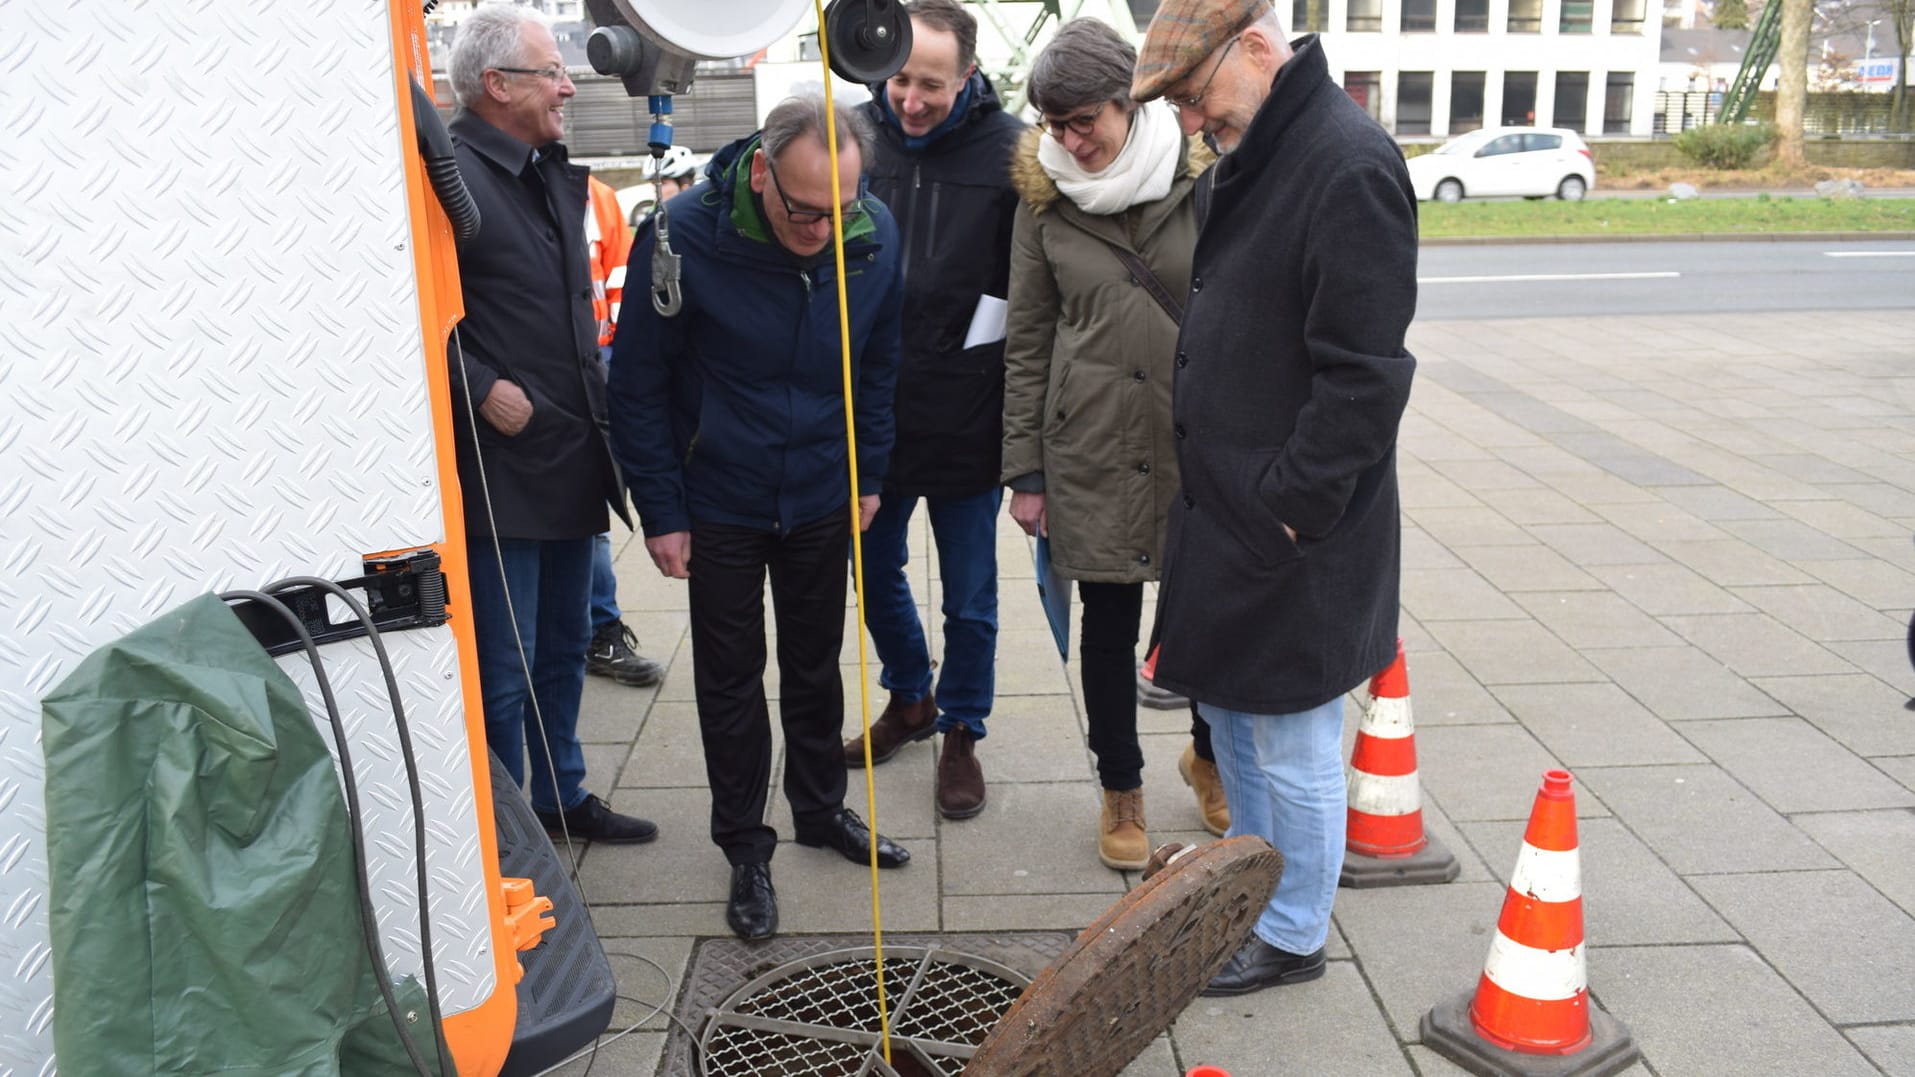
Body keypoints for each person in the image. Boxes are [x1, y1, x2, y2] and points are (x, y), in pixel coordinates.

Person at [1132, 0, 1417, 995]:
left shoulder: (1344, 163)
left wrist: (1289, 507)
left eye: (1197, 97)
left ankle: (1292, 934)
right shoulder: (1265, 154)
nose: (1195, 122)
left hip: (1290, 526)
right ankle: (1245, 895)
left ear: (1257, 48)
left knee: (1289, 741)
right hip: (1231, 511)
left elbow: (1364, 378)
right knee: (1237, 721)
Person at [609, 95, 911, 942]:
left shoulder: (873, 232)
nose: (820, 227)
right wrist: (661, 509)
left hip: (822, 487)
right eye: (803, 209)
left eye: (837, 209)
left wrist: (869, 472)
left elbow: (879, 365)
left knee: (816, 665)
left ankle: (820, 810)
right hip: (720, 496)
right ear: (760, 171)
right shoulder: (681, 236)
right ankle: (746, 846)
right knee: (732, 680)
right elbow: (636, 383)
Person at [1001, 19, 1214, 870]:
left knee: (1201, 615)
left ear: (1129, 103)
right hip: (1085, 440)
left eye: (1083, 120)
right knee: (1106, 623)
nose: (1068, 142)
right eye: (1053, 125)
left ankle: (1208, 753)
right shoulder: (1041, 199)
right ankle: (1119, 787)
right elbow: (1027, 335)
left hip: (1190, 432)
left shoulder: (1203, 178)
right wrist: (1024, 466)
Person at [446, 6, 657, 844]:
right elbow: (397, 308)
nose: (569, 84)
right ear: (497, 85)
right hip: (501, 468)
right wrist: (480, 383)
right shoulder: (449, 174)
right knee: (506, 669)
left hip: (570, 451)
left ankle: (561, 796)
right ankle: (508, 836)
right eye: (550, 72)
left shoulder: (544, 170)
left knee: (567, 646)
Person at [843, 0, 1026, 823]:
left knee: (970, 594)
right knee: (874, 573)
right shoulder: (850, 133)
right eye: (900, 80)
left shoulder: (1013, 151)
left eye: (931, 85)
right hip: (873, 412)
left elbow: (1033, 287)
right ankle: (910, 695)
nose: (909, 101)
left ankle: (961, 729)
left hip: (967, 412)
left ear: (970, 77)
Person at [582, 174, 668, 689]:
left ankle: (599, 629)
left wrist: (615, 360)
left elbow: (617, 277)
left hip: (595, 365)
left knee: (592, 512)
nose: (565, 89)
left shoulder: (595, 195)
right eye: (550, 84)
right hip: (525, 373)